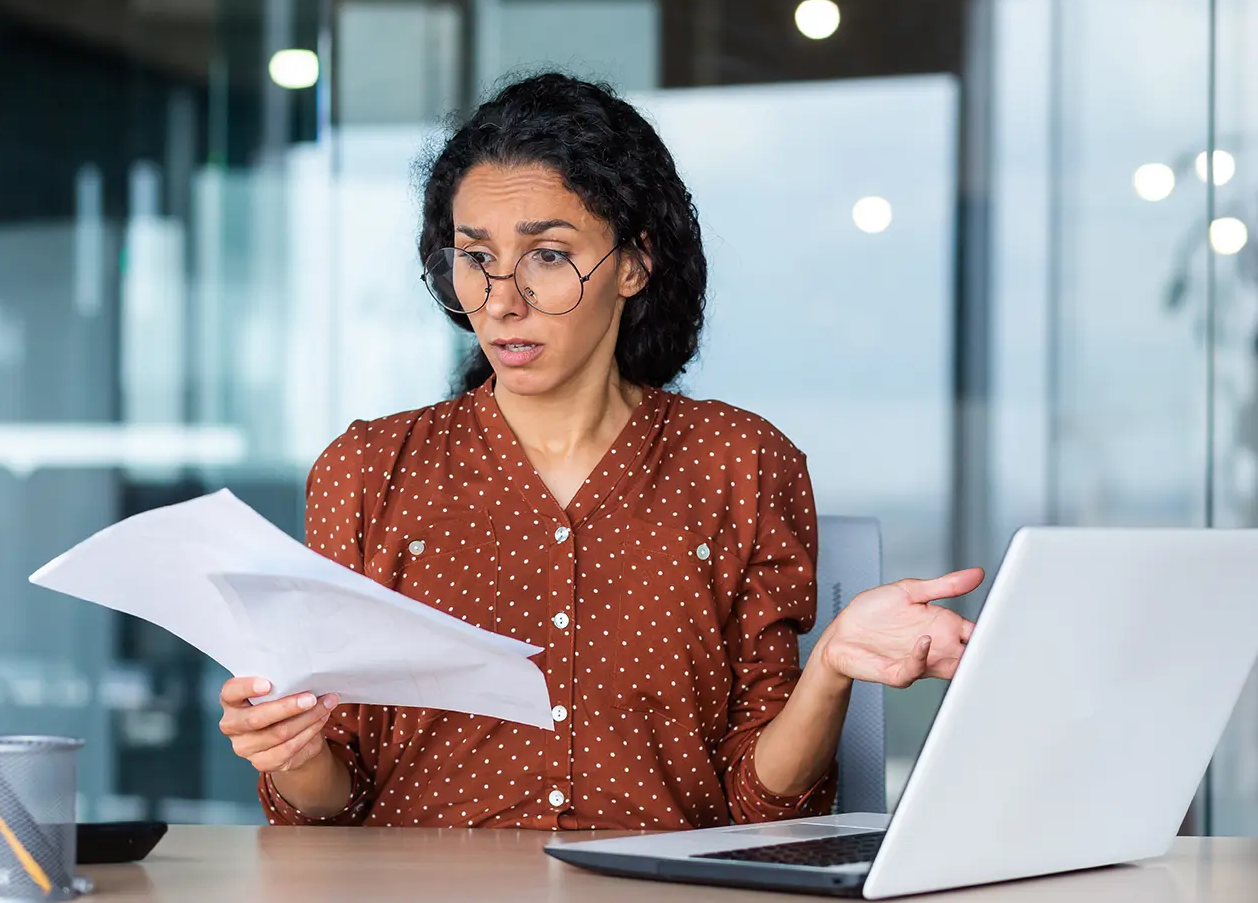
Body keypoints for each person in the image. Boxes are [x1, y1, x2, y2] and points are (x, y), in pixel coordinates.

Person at [217, 72, 981, 830]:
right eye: (475, 257)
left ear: (633, 263)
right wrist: (290, 752)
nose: (503, 299)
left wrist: (832, 667)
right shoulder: (368, 471)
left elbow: (757, 803)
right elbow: (334, 802)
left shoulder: (739, 463)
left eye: (548, 255)